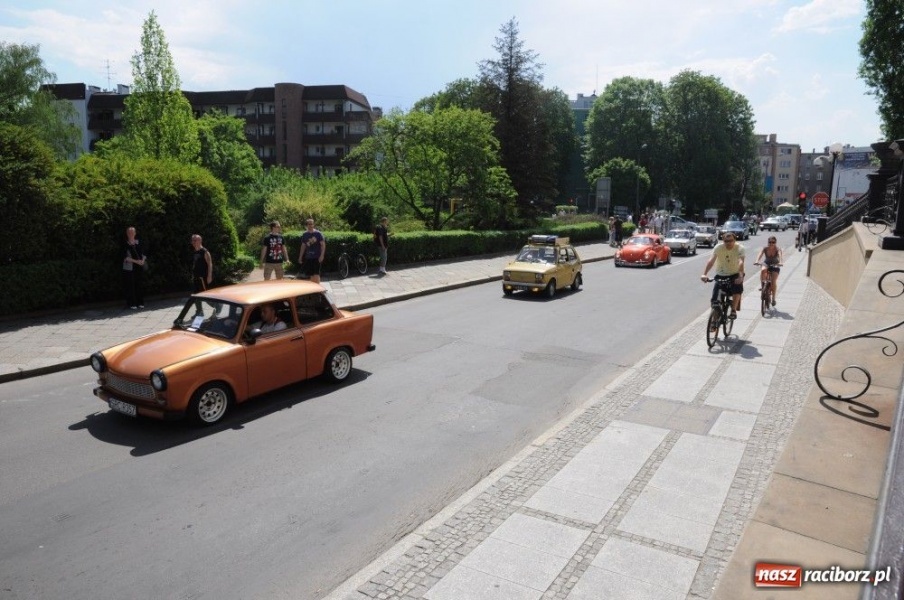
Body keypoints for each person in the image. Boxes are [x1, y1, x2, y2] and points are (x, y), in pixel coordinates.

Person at [700, 232, 745, 319]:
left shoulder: (740, 248)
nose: (728, 243)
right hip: (721, 274)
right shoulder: (719, 247)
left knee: (737, 289)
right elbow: (711, 261)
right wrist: (704, 274)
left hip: (735, 273)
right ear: (723, 241)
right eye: (726, 241)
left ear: (734, 240)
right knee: (715, 300)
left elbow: (741, 262)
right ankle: (714, 321)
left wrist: (740, 276)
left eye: (731, 240)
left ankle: (733, 311)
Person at [122, 226, 146, 309]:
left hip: (139, 267)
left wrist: (142, 260)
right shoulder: (125, 244)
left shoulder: (139, 243)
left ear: (135, 233)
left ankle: (140, 302)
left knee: (139, 284)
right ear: (127, 234)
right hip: (130, 267)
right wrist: (137, 261)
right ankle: (132, 303)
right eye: (129, 233)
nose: (131, 234)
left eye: (132, 232)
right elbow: (125, 257)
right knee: (130, 285)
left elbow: (144, 253)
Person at [755, 236, 783, 306]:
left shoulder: (778, 249)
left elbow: (780, 256)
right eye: (770, 242)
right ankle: (763, 286)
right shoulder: (765, 248)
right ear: (768, 242)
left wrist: (781, 262)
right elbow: (760, 254)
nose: (771, 244)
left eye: (773, 242)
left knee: (773, 282)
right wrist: (757, 261)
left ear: (775, 243)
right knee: (763, 270)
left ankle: (773, 298)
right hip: (766, 263)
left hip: (775, 264)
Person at [299, 218, 325, 283]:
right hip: (308, 257)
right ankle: (314, 289)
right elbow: (303, 246)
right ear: (306, 225)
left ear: (313, 224)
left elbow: (323, 245)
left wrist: (322, 255)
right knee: (310, 274)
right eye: (309, 224)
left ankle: (318, 289)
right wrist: (300, 257)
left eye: (311, 224)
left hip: (317, 257)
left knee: (316, 274)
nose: (310, 225)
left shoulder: (318, 234)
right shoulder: (305, 234)